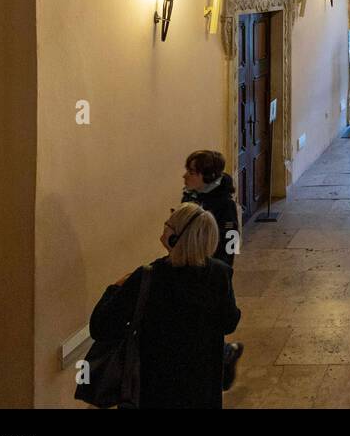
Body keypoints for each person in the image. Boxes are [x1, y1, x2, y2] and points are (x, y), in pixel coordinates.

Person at [87, 203, 241, 409]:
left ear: (175, 237)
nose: (164, 226)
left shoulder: (148, 278)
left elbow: (100, 326)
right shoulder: (219, 273)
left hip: (157, 392)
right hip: (203, 391)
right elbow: (229, 322)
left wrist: (115, 287)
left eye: (168, 224)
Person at [181, 150, 245, 386]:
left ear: (207, 176)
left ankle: (223, 356)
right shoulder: (191, 196)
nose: (185, 176)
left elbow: (231, 240)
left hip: (210, 271)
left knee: (210, 318)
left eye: (191, 172)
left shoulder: (223, 205)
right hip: (189, 266)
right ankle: (225, 353)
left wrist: (222, 270)